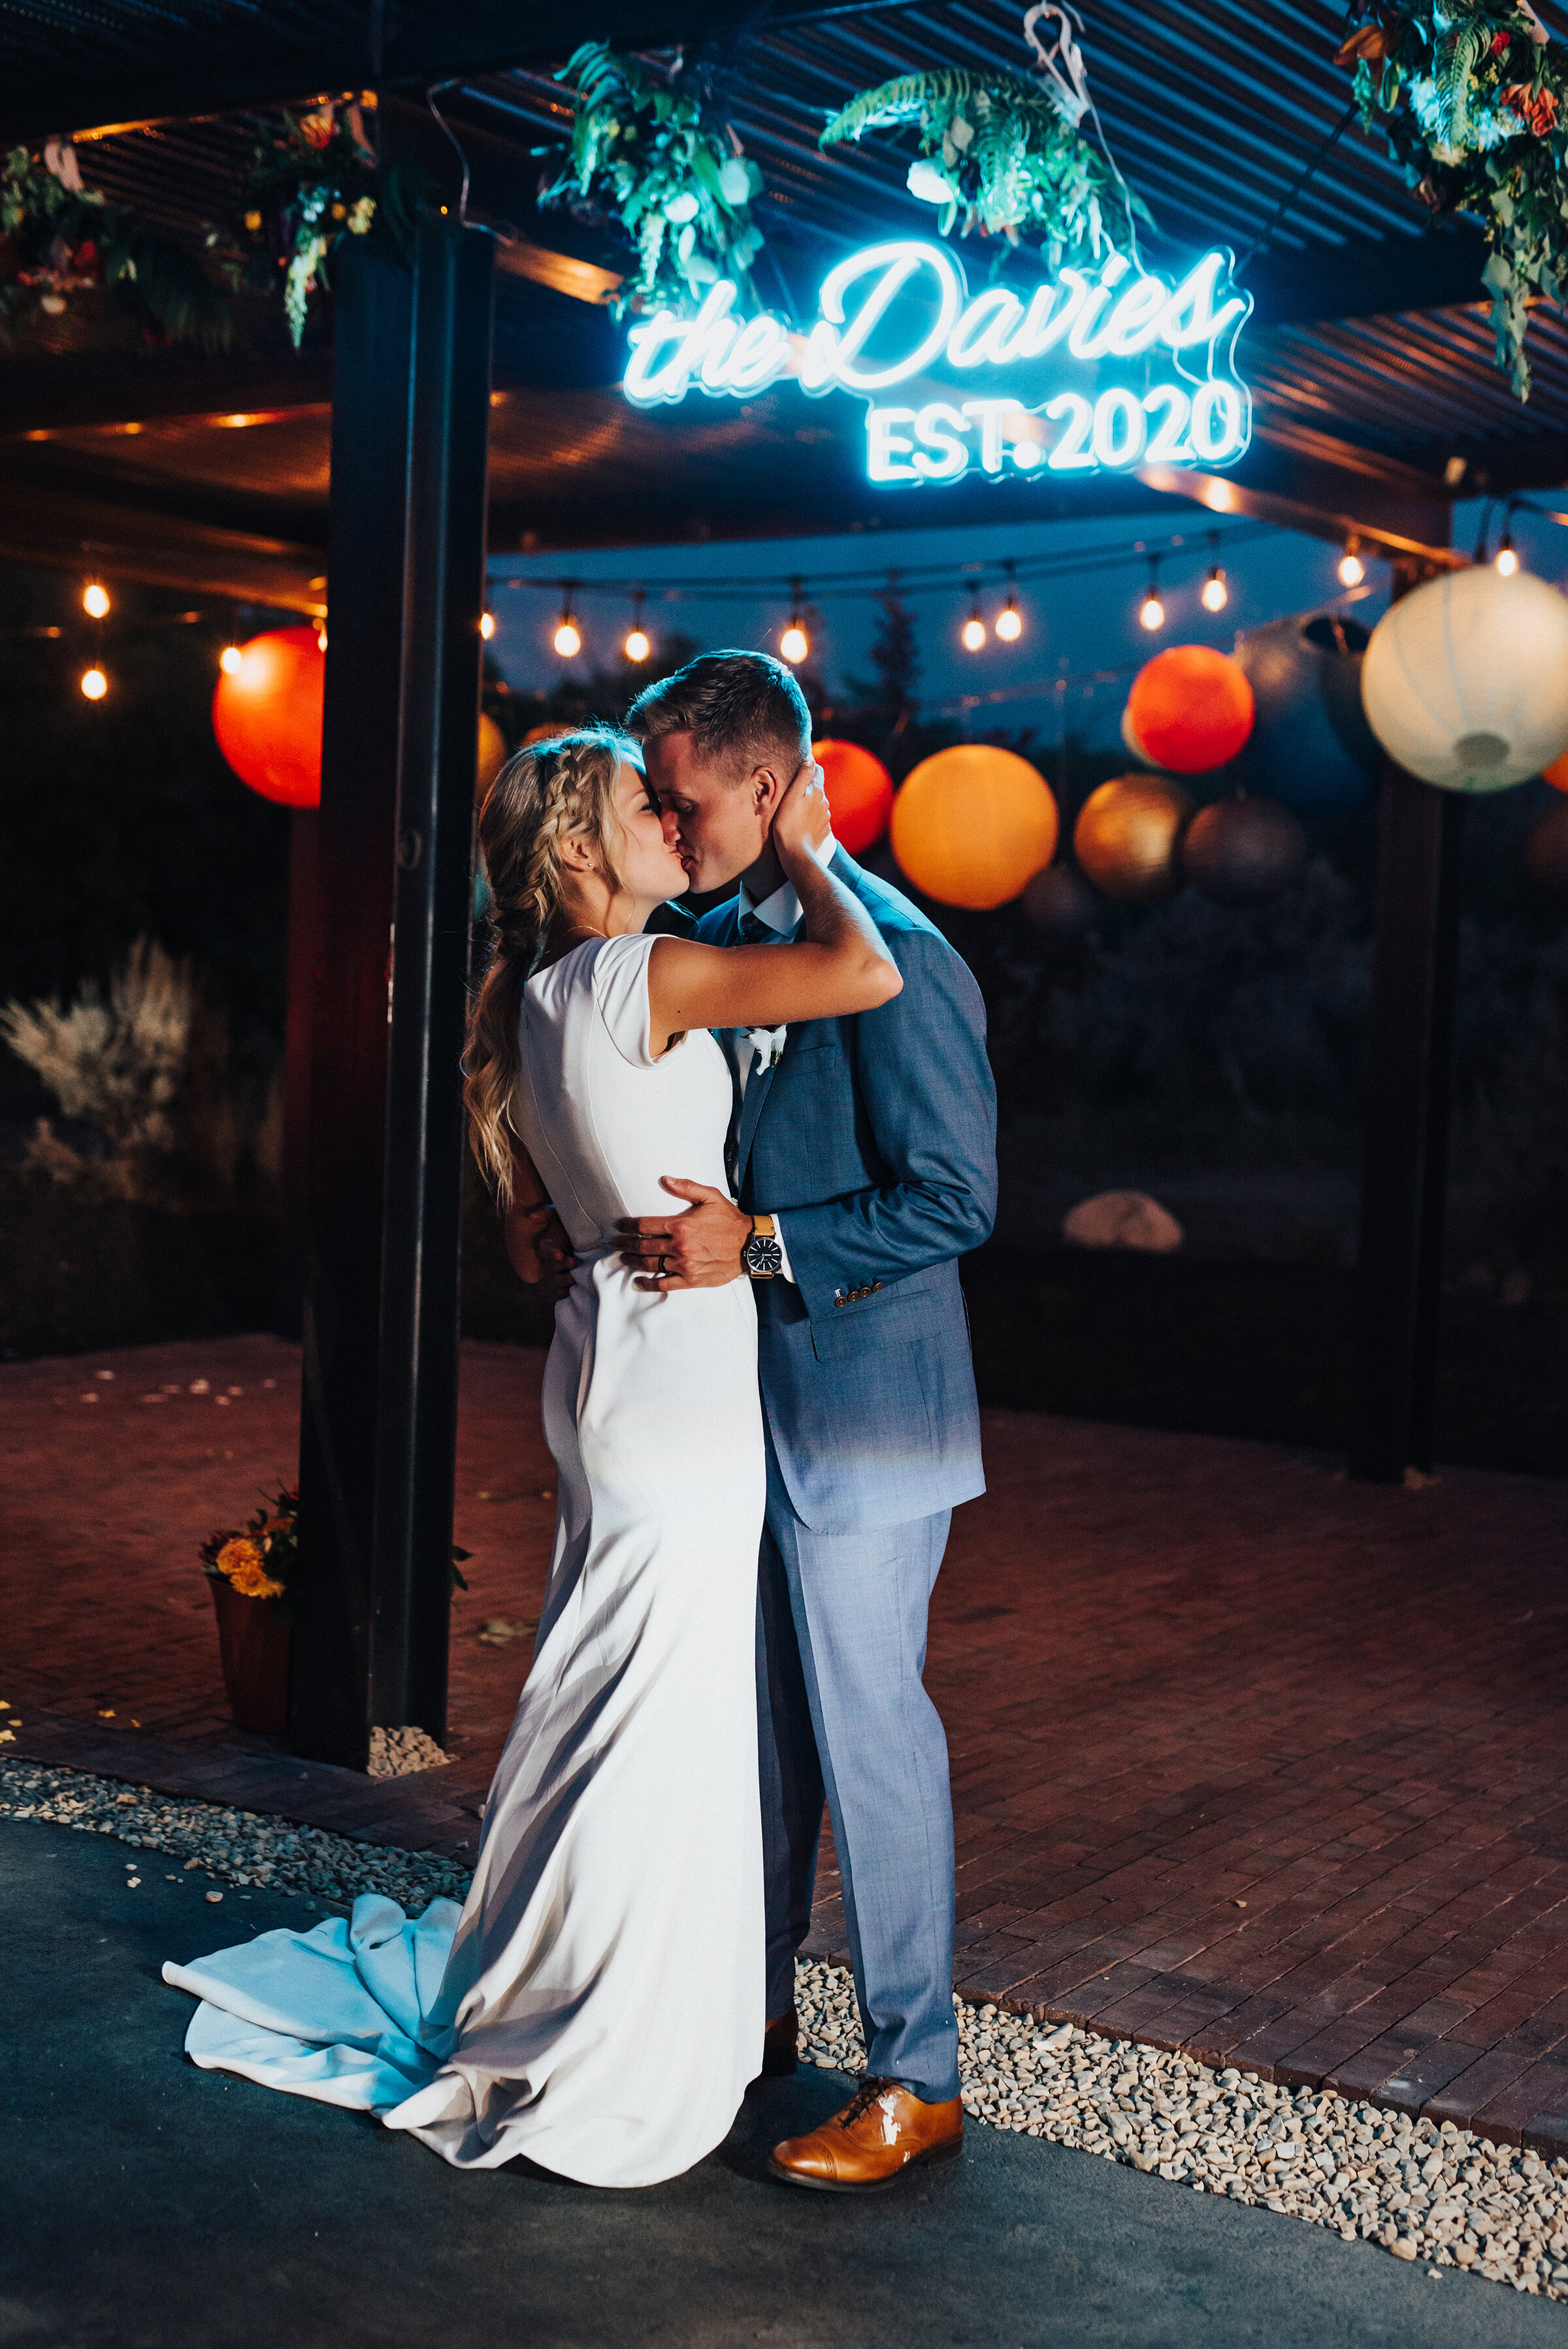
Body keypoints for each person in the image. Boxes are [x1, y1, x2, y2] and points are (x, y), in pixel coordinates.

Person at [162, 723, 902, 2189]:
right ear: (579, 846)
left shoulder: (543, 987)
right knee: (651, 1717)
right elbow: (865, 973)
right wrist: (811, 849)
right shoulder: (636, 973)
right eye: (648, 806)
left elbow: (534, 1194)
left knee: (602, 1694)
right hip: (674, 1399)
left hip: (609, 1375)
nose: (674, 826)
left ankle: (567, 1971)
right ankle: (610, 2025)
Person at [618, 651, 998, 2193]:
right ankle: (754, 2019)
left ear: (769, 790)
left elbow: (958, 1200)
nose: (664, 817)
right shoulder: (702, 939)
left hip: (870, 1418)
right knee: (759, 1737)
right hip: (739, 1418)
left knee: (869, 1738)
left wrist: (761, 1246)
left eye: (682, 793)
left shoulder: (900, 953)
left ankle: (917, 2076)